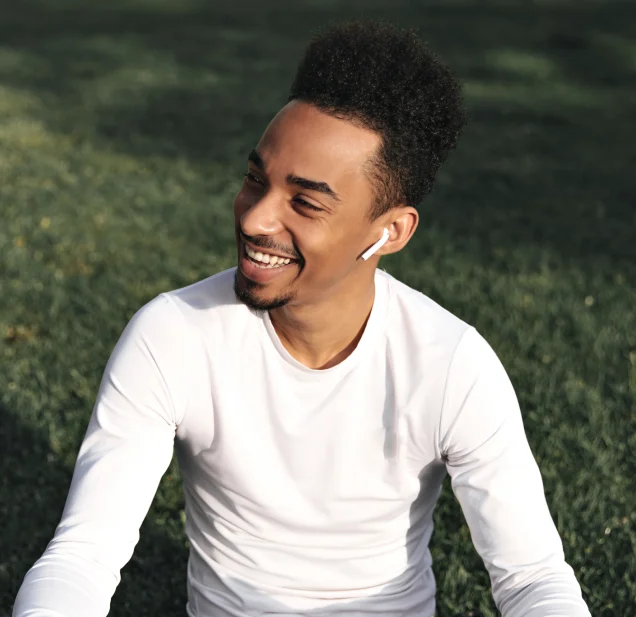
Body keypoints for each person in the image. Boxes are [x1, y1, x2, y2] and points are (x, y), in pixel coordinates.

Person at [13, 21, 591, 617]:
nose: (256, 218)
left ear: (389, 231)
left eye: (306, 203)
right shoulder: (175, 335)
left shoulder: (450, 365)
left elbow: (531, 578)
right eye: (255, 179)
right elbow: (84, 554)